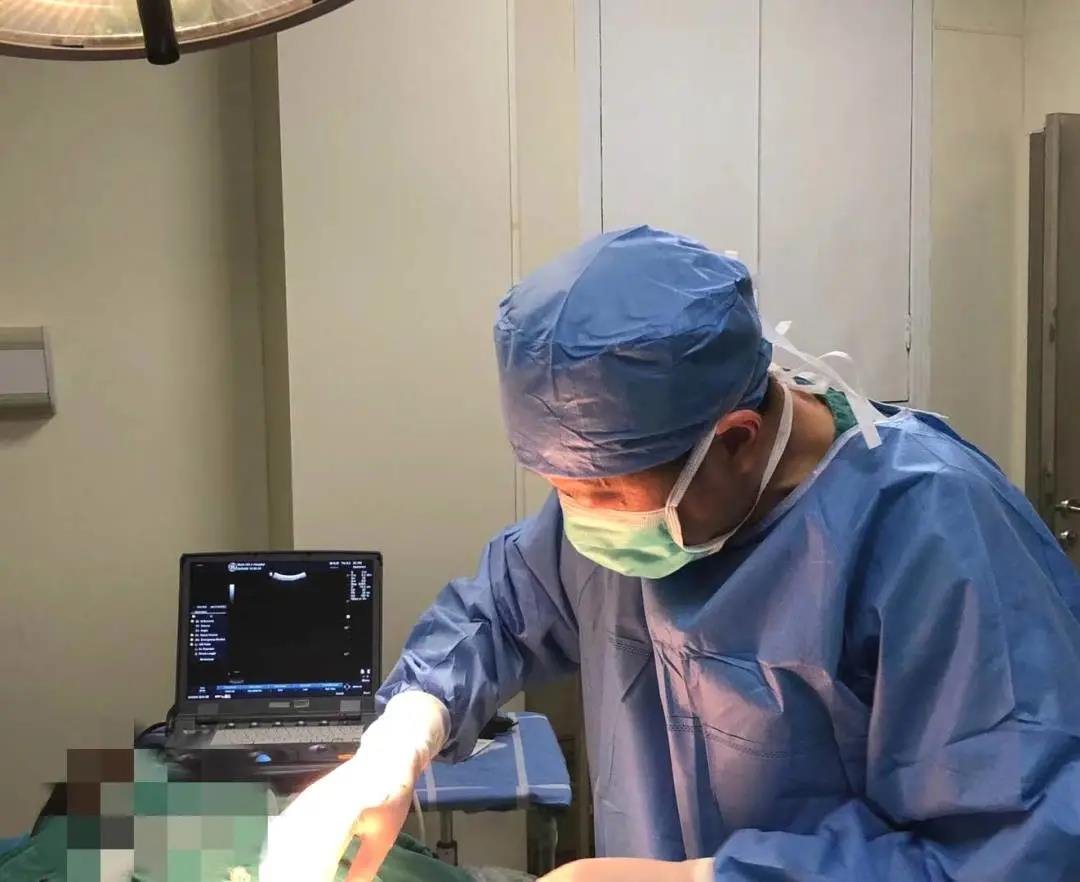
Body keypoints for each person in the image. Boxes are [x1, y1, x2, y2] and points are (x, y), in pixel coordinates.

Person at [260, 226, 1080, 882]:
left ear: (736, 439)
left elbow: (1016, 852)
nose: (579, 516)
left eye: (605, 493)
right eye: (559, 487)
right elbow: (500, 611)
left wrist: (708, 879)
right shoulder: (632, 494)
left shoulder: (933, 530)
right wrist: (400, 739)